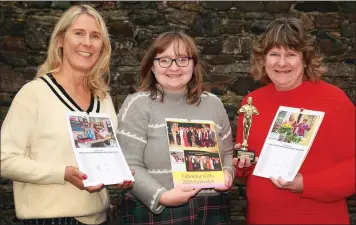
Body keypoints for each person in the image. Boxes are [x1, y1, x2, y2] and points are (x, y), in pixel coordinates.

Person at [0, 5, 132, 225]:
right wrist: (62, 173)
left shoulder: (103, 99)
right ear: (61, 40)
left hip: (99, 218)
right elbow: (4, 159)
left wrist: (119, 175)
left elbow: (104, 155)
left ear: (103, 46)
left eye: (95, 36)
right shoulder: (34, 93)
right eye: (78, 33)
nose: (87, 43)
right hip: (49, 219)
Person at [233, 17, 355, 224]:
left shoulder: (333, 101)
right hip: (262, 218)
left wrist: (306, 184)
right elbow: (245, 166)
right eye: (274, 54)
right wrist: (242, 164)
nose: (281, 63)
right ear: (263, 59)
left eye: (290, 54)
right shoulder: (253, 102)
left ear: (305, 59)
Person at [116, 31, 234, 224]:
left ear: (193, 64)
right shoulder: (137, 104)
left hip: (212, 209)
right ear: (152, 66)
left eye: (182, 59)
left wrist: (228, 173)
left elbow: (228, 152)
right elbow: (129, 164)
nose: (174, 67)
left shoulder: (214, 104)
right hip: (155, 211)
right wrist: (162, 196)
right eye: (164, 60)